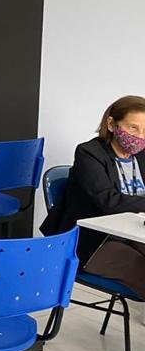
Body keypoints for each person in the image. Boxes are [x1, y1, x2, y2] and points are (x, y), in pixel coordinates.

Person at [41, 96, 145, 297]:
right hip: (91, 240)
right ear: (112, 124)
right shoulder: (89, 153)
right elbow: (108, 201)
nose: (140, 136)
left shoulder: (142, 155)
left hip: (132, 231)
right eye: (133, 128)